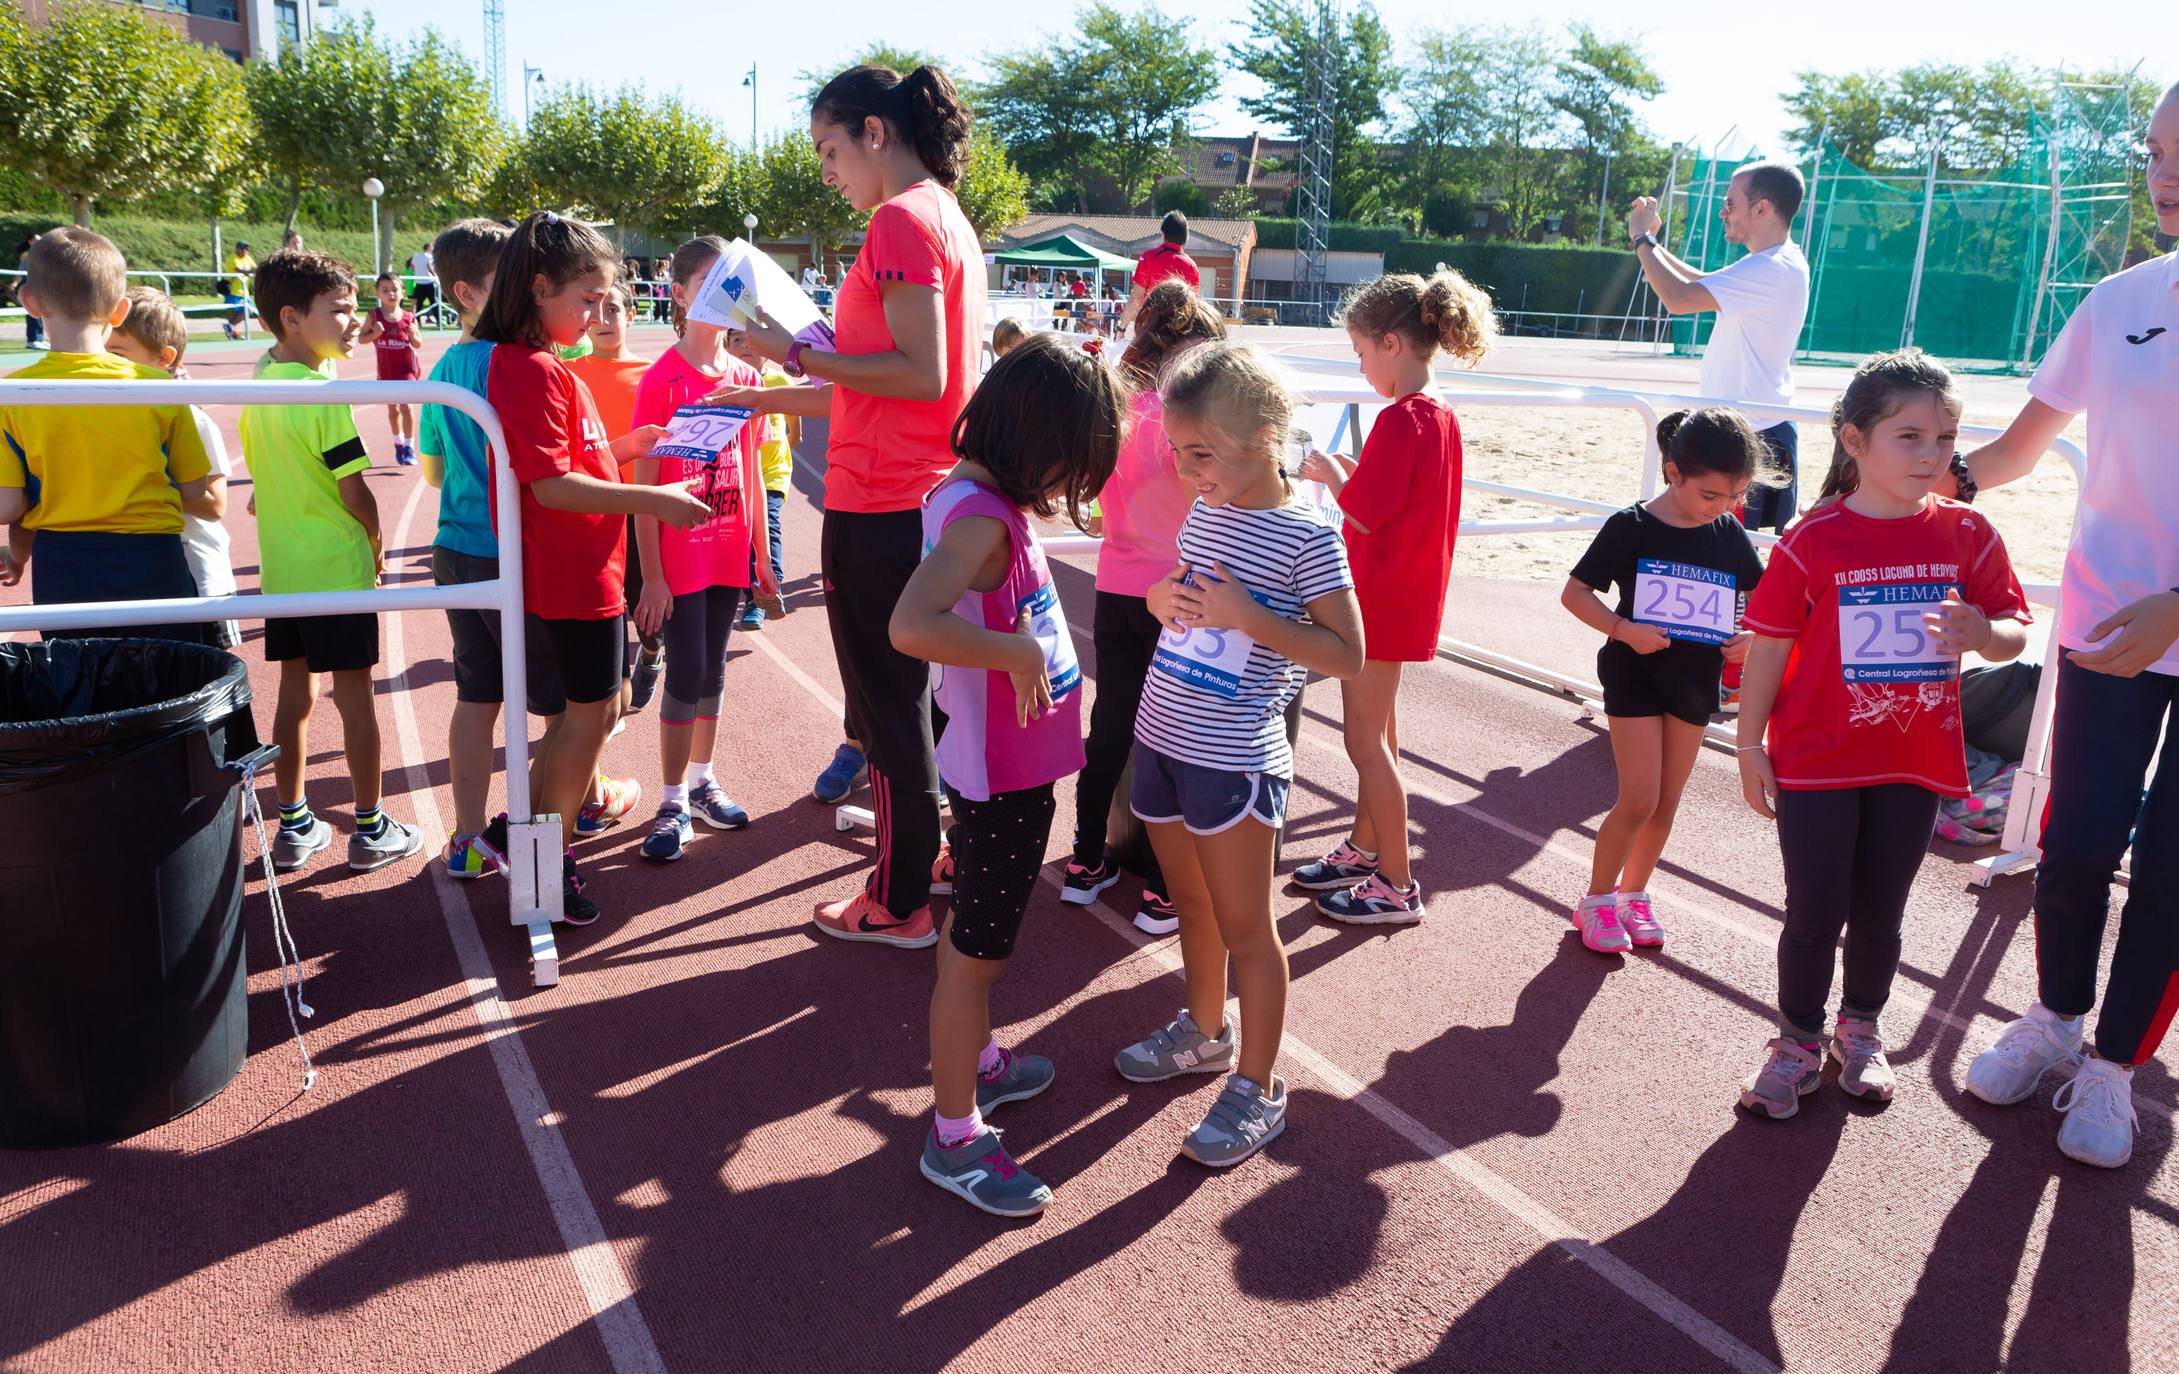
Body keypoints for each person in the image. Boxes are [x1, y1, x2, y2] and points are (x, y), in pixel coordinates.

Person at [709, 63, 986, 946]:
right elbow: (886, 387)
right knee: (914, 697)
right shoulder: (940, 214)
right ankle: (933, 862)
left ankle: (898, 899)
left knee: (886, 700)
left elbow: (919, 374)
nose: (827, 172)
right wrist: (763, 397)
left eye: (831, 150)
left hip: (885, 502)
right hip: (919, 492)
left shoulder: (902, 219)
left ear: (875, 131)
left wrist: (797, 351)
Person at [1955, 81, 2179, 1170]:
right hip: (2102, 627)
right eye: (2153, 151)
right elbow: (2016, 449)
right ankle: (2053, 1021)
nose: (2164, 172)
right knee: (2075, 837)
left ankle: (2113, 1072)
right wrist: (1919, 483)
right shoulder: (2120, 299)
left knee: (2176, 867)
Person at [1733, 350, 2028, 1118]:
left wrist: (1982, 633)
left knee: (1881, 913)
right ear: (1854, 441)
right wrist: (1747, 745)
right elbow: (1766, 644)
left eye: (1944, 438)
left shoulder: (1967, 532)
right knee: (1812, 909)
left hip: (1913, 762)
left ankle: (1857, 1030)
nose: (1931, 454)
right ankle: (1796, 1039)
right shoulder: (1813, 537)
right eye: (1909, 436)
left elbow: (2012, 632)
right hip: (1817, 762)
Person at [1115, 341, 1364, 1167]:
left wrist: (1250, 616)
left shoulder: (1309, 538)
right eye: (1178, 455)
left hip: (1234, 757)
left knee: (1246, 927)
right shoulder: (1206, 510)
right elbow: (1186, 597)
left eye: (1201, 454)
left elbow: (1345, 654)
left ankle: (1259, 1088)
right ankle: (1205, 1031)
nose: (1188, 473)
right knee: (1189, 907)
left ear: (1263, 435)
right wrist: (1161, 599)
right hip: (1163, 733)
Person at [890, 335, 1123, 1215]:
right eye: (1074, 463)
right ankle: (955, 1138)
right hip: (1002, 778)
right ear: (1042, 441)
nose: (1072, 484)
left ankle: (980, 1061)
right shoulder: (981, 518)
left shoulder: (974, 496)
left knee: (975, 948)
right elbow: (911, 625)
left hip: (1005, 769)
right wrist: (1013, 648)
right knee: (976, 961)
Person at [473, 210, 711, 924]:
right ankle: (544, 855)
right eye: (587, 298)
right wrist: (654, 498)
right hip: (570, 574)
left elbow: (570, 460)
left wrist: (625, 447)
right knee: (587, 720)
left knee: (598, 711)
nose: (597, 312)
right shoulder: (528, 369)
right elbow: (548, 486)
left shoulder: (547, 367)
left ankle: (518, 833)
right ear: (539, 287)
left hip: (588, 569)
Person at [1291, 269, 1496, 925]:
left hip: (1376, 601)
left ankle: (1396, 882)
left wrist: (1325, 472)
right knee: (1379, 732)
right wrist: (1347, 476)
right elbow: (1389, 500)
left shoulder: (1400, 418)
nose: (1359, 367)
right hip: (1403, 593)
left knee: (1363, 741)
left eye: (1359, 353)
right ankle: (1366, 843)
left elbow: (1366, 514)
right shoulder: (1436, 414)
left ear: (1389, 343)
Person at [238, 249, 427, 875]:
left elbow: (263, 492)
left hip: (285, 570)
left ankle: (293, 824)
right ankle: (370, 829)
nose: (356, 321)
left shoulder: (261, 383)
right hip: (336, 568)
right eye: (340, 311)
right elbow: (353, 489)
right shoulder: (326, 392)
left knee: (294, 694)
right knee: (355, 699)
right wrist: (376, 541)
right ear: (292, 318)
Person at [1559, 408, 1772, 952]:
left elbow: (1765, 601)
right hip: (1635, 675)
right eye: (1711, 496)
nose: (1724, 508)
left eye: (1736, 496)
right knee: (1638, 798)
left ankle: (1635, 894)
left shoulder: (1727, 532)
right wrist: (1622, 628)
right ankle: (1597, 900)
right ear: (1673, 473)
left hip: (1695, 681)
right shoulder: (1630, 527)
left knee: (1666, 802)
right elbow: (1575, 593)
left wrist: (1748, 634)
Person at [1065, 279, 1225, 935]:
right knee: (1175, 740)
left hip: (1115, 585)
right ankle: (1165, 888)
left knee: (1109, 729)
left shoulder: (1115, 407)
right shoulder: (1182, 422)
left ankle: (1084, 861)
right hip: (1179, 594)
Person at [628, 235, 778, 862]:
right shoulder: (661, 379)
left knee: (714, 670)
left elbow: (750, 467)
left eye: (731, 283)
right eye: (709, 282)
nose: (722, 295)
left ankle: (702, 779)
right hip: (679, 558)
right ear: (681, 293)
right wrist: (653, 577)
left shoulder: (747, 377)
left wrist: (760, 556)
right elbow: (643, 486)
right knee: (686, 672)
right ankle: (670, 801)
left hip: (726, 553)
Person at [0, 228, 211, 641]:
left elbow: (8, 506)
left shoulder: (12, 394)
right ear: (119, 311)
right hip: (154, 560)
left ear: (29, 302)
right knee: (171, 686)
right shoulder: (160, 387)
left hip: (65, 565)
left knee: (83, 690)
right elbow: (193, 487)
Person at [416, 217, 522, 881]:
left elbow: (430, 472)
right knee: (569, 697)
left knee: (476, 697)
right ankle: (579, 802)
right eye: (509, 279)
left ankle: (466, 836)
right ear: (465, 291)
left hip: (454, 547)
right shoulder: (515, 363)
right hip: (506, 551)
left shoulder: (444, 369)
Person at [1626, 162, 1810, 534]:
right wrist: (1651, 244)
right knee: (1726, 554)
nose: (1723, 211)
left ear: (1762, 208)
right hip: (1752, 427)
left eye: (1730, 203)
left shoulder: (1772, 268)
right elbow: (1703, 280)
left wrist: (1642, 239)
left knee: (1731, 559)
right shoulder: (1774, 262)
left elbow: (1678, 297)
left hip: (1749, 434)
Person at [107, 286, 242, 649]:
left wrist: (150, 483)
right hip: (147, 574)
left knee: (207, 678)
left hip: (200, 576)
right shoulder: (109, 420)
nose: (104, 364)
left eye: (117, 353)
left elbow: (216, 505)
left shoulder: (193, 420)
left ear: (164, 358)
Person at [568, 281, 664, 734]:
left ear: (631, 314)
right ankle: (616, 693)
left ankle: (651, 651)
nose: (605, 321)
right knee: (606, 607)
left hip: (642, 507)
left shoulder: (652, 373)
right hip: (590, 504)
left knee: (647, 607)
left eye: (615, 310)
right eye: (596, 310)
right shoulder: (571, 374)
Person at [725, 326, 797, 630]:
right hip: (739, 475)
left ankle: (765, 595)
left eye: (750, 338)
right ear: (727, 348)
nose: (745, 345)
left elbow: (793, 422)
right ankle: (748, 590)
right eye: (736, 340)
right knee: (742, 536)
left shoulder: (780, 380)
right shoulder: (726, 384)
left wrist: (788, 448)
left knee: (768, 528)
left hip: (772, 474)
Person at [357, 271, 422, 465]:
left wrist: (413, 336)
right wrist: (375, 333)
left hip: (407, 371)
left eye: (394, 289)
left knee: (407, 406)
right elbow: (361, 339)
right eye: (385, 290)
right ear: (378, 293)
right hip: (386, 371)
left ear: (402, 292)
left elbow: (418, 344)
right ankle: (398, 443)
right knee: (393, 410)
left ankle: (410, 446)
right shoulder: (374, 316)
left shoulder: (409, 317)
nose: (390, 294)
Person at [1120, 210, 1201, 332]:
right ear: (1185, 237)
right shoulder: (1192, 266)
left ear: (1162, 234)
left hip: (1148, 330)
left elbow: (1136, 296)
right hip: (1178, 333)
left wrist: (1121, 329)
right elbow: (1193, 306)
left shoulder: (1149, 257)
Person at [222, 238, 255, 339]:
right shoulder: (232, 258)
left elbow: (255, 269)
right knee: (232, 316)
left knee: (248, 311)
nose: (245, 250)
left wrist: (250, 271)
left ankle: (230, 327)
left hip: (244, 292)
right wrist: (249, 271)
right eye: (242, 248)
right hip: (232, 291)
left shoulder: (248, 258)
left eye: (246, 249)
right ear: (237, 249)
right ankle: (232, 333)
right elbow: (238, 270)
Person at [408, 243, 437, 317]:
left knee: (419, 303)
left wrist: (418, 272)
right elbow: (429, 267)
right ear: (429, 248)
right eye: (431, 247)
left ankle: (417, 319)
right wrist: (434, 276)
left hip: (419, 283)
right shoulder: (429, 257)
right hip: (428, 282)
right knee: (433, 302)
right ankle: (438, 319)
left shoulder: (416, 256)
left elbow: (412, 267)